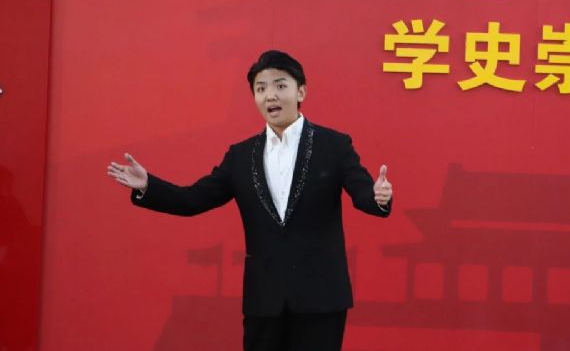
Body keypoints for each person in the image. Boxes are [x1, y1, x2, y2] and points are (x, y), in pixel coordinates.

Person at [106, 50, 393, 351]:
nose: (271, 95)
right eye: (261, 88)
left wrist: (377, 197)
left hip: (321, 298)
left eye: (280, 85)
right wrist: (148, 185)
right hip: (264, 301)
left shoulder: (333, 145)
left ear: (301, 92)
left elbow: (363, 193)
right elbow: (193, 199)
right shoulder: (241, 156)